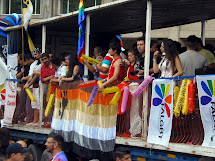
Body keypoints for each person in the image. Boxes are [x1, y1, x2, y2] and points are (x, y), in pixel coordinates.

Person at [23, 48, 42, 126]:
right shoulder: (34, 64)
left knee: (39, 104)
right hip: (33, 86)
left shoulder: (41, 64)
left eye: (36, 54)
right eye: (33, 54)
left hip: (39, 85)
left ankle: (37, 120)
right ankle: (35, 120)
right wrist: (28, 83)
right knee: (34, 104)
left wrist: (29, 83)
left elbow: (35, 75)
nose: (35, 56)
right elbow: (31, 76)